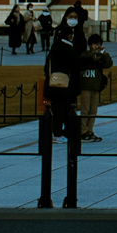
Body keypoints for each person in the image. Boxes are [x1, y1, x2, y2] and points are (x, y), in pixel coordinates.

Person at [43, 7, 85, 139]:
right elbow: (75, 60)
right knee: (61, 108)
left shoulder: (60, 44)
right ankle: (59, 133)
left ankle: (65, 131)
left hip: (64, 80)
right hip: (63, 81)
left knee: (66, 107)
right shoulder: (64, 46)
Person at [77, 33, 112, 143]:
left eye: (98, 44)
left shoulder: (100, 56)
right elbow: (82, 59)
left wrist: (104, 53)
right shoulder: (85, 55)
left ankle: (90, 130)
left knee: (93, 110)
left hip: (96, 86)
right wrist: (93, 54)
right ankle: (82, 131)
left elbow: (109, 63)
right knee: (85, 110)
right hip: (86, 85)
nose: (96, 46)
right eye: (95, 44)